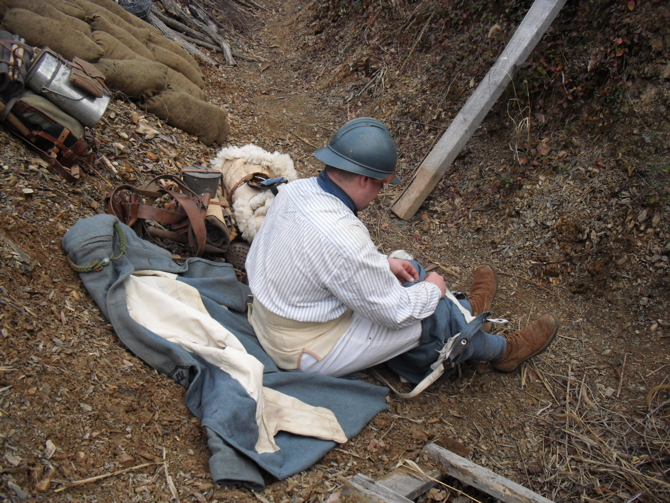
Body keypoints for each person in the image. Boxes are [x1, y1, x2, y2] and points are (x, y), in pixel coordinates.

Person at [246, 117, 558, 380]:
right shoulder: (342, 236)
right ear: (366, 180)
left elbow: (322, 259)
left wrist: (384, 265)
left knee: (407, 276)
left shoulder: (295, 190)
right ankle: (502, 350)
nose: (380, 193)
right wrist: (434, 290)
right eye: (381, 184)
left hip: (275, 317)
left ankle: (467, 315)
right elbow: (395, 312)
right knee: (431, 307)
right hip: (303, 346)